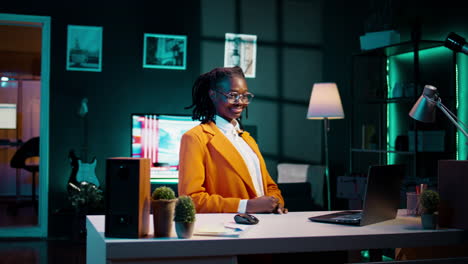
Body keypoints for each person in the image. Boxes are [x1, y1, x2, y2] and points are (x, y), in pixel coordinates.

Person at [178, 66, 287, 214]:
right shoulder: (195, 138)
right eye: (232, 95)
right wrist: (246, 206)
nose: (240, 101)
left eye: (244, 96)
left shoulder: (247, 139)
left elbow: (270, 187)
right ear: (213, 95)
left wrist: (276, 202)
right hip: (228, 229)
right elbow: (191, 199)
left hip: (264, 226)